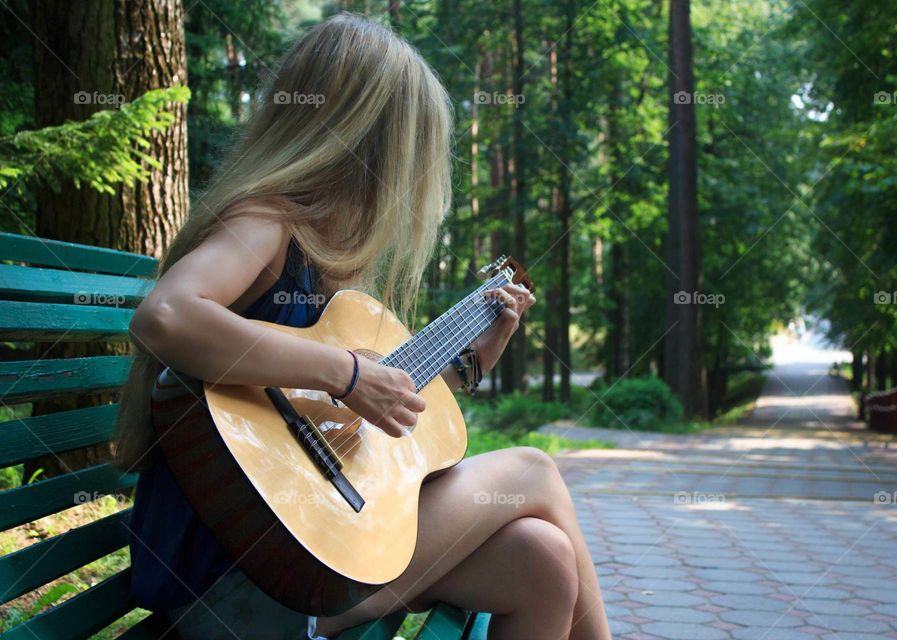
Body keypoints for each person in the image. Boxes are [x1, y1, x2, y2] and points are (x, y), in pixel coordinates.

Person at [114, 13, 610, 640]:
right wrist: (346, 372)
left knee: (543, 561)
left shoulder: (321, 263)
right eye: (411, 151)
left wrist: (475, 359)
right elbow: (166, 314)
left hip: (298, 550)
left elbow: (351, 425)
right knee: (535, 470)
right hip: (242, 582)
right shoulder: (267, 219)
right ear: (366, 141)